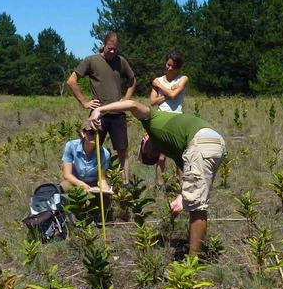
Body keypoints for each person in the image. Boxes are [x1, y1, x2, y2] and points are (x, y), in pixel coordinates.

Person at [90, 100, 225, 255]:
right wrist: (182, 197)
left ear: (144, 140)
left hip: (201, 143)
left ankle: (192, 262)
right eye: (152, 157)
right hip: (214, 142)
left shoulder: (152, 121)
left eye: (148, 153)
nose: (152, 153)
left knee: (197, 207)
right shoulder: (173, 147)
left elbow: (132, 104)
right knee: (196, 199)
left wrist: (100, 110)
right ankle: (194, 247)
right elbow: (187, 176)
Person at [66, 32, 136, 184]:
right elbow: (71, 81)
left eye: (115, 49)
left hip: (118, 114)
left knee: (122, 151)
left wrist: (126, 99)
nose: (112, 52)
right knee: (92, 148)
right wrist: (84, 102)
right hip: (98, 115)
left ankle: (125, 184)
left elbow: (132, 80)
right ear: (103, 45)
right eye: (109, 48)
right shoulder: (91, 60)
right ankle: (89, 181)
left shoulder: (121, 61)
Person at [149, 51, 188, 188]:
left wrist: (160, 87)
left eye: (173, 66)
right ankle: (160, 185)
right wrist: (168, 93)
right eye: (168, 64)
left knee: (179, 155)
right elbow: (152, 102)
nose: (170, 68)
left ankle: (180, 185)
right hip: (161, 119)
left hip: (177, 119)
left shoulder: (182, 79)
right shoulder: (158, 79)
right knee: (161, 156)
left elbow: (174, 95)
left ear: (178, 68)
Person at [60, 120, 113, 195]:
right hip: (74, 181)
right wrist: (81, 184)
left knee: (105, 199)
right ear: (83, 133)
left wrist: (105, 187)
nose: (95, 136)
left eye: (99, 133)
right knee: (64, 186)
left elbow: (102, 178)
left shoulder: (104, 154)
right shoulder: (71, 146)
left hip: (92, 184)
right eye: (91, 133)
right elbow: (67, 175)